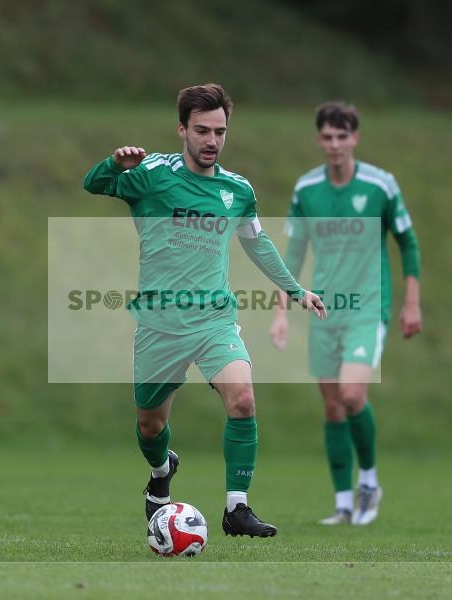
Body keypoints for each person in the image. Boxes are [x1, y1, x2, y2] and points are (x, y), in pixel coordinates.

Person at [83, 83, 327, 538]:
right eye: (202, 130)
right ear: (182, 130)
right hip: (160, 323)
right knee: (151, 425)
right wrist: (114, 164)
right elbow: (93, 184)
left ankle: (237, 509)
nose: (212, 140)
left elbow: (259, 244)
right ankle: (161, 474)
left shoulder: (237, 190)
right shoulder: (152, 173)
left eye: (220, 131)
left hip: (214, 318)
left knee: (243, 398)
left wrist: (297, 291)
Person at [270, 101, 421, 525]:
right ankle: (341, 503)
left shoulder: (380, 185)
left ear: (354, 138)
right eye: (327, 137)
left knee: (353, 395)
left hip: (367, 308)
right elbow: (293, 254)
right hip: (323, 310)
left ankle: (369, 482)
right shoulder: (306, 189)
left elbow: (407, 242)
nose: (334, 144)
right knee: (333, 408)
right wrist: (280, 311)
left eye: (342, 136)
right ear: (319, 139)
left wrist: (412, 302)